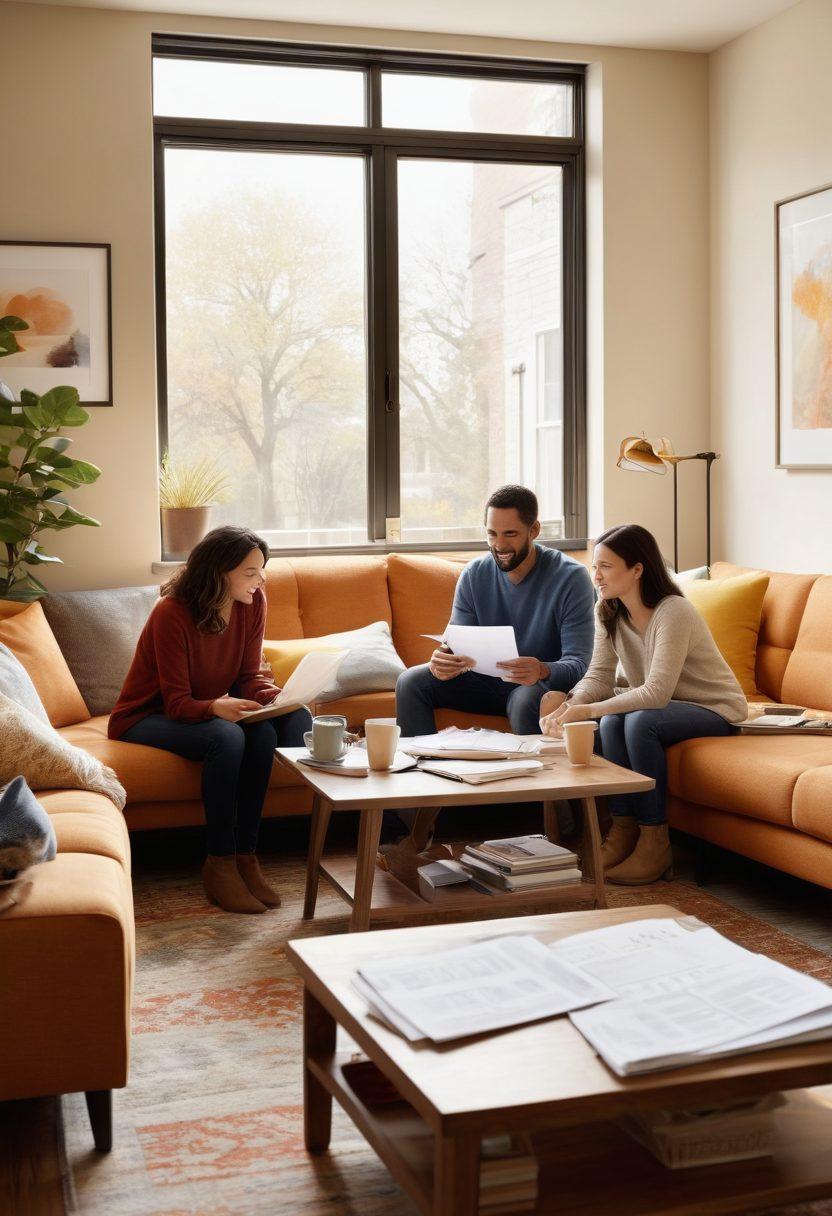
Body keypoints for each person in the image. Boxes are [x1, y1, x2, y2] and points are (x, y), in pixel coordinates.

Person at [109, 526, 311, 914]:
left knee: (273, 730)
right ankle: (218, 863)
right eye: (250, 573)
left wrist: (279, 697)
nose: (261, 580)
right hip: (146, 715)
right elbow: (177, 703)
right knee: (227, 737)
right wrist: (217, 707)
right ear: (219, 572)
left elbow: (250, 676)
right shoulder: (172, 613)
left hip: (205, 708)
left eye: (262, 570)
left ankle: (245, 857)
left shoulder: (254, 602)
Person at [540, 524, 747, 886]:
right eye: (594, 566)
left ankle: (655, 842)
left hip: (713, 708)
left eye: (606, 566)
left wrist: (586, 711)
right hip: (662, 707)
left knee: (636, 722)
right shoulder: (607, 610)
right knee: (614, 722)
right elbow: (600, 676)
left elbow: (656, 693)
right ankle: (624, 832)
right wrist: (569, 706)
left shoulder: (673, 611)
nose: (596, 575)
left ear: (637, 569)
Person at [395, 484, 595, 739]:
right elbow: (455, 647)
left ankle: (531, 777)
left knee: (524, 702)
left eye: (510, 534)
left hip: (537, 685)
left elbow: (580, 664)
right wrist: (443, 662)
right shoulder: (474, 573)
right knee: (411, 682)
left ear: (533, 530)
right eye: (492, 534)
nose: (499, 545)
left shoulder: (571, 578)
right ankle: (421, 771)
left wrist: (543, 669)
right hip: (484, 682)